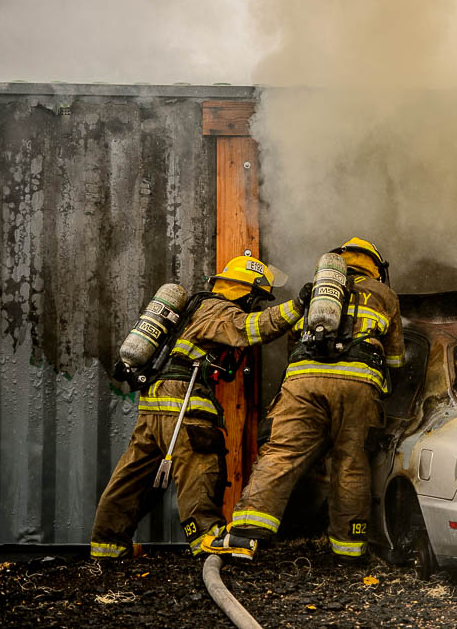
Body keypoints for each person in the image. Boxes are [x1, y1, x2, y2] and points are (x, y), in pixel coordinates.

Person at [90, 253, 307, 559]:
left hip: (154, 402)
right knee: (200, 465)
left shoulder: (195, 306)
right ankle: (207, 536)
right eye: (256, 298)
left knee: (134, 474)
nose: (254, 305)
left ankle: (106, 544)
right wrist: (297, 306)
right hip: (184, 401)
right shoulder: (220, 310)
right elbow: (252, 328)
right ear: (247, 291)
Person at [202, 237, 404, 562]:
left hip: (303, 381)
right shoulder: (384, 295)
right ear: (375, 266)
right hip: (358, 384)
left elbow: (293, 345)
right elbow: (396, 360)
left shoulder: (316, 292)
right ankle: (348, 550)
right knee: (351, 462)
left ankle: (244, 534)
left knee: (281, 453)